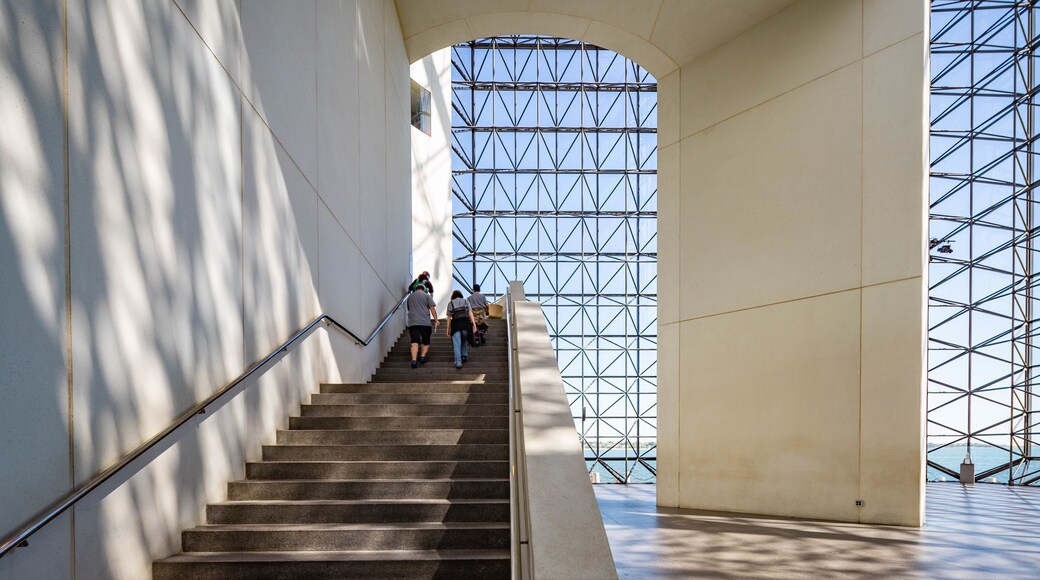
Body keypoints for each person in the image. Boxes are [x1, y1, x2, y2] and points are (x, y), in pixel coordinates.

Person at [405, 284, 439, 368]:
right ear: (423, 289)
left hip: (413, 322)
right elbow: (432, 309)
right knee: (426, 341)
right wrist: (436, 320)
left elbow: (409, 309)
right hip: (425, 322)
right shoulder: (427, 296)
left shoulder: (410, 297)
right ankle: (423, 356)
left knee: (414, 341)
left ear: (416, 289)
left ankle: (414, 360)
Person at [445, 290, 477, 369]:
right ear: (461, 295)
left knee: (457, 344)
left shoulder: (450, 303)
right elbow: (470, 313)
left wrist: (448, 329)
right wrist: (474, 324)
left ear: (453, 296)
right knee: (463, 340)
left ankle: (458, 362)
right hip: (465, 325)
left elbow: (449, 317)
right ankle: (464, 355)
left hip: (455, 325)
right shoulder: (466, 301)